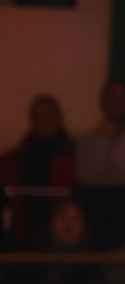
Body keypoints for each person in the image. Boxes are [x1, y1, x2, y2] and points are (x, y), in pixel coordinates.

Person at [76, 80, 125, 250]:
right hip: (94, 214)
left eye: (122, 98)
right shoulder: (86, 141)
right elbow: (83, 178)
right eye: (112, 98)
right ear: (102, 102)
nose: (117, 103)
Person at [0, 94, 76, 248]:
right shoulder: (17, 158)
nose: (44, 120)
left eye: (48, 114)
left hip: (61, 235)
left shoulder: (75, 154)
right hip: (24, 232)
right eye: (38, 116)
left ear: (59, 117)